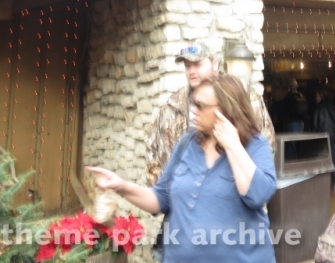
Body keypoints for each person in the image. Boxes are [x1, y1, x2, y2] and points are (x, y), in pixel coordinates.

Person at [88, 75, 277, 263]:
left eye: (200, 105)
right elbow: (161, 199)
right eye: (192, 103)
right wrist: (120, 186)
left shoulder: (254, 145)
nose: (193, 110)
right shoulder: (187, 143)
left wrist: (233, 145)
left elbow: (258, 195)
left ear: (226, 110)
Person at [145, 42, 276, 186]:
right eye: (187, 65)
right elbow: (153, 151)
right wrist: (166, 194)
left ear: (215, 64)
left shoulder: (246, 100)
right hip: (184, 201)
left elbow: (267, 147)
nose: (191, 71)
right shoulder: (173, 106)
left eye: (197, 64)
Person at [313, 87, 335, 188]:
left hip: (324, 136)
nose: (315, 98)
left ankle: (323, 185)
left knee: (323, 160)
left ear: (321, 96)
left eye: (316, 95)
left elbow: (315, 123)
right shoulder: (334, 105)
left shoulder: (319, 107)